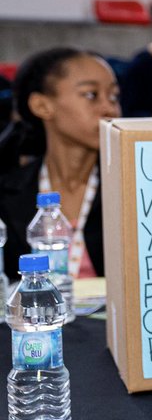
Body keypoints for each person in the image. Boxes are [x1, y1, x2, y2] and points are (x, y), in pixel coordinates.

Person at [0, 47, 119, 284]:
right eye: (91, 94)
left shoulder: (133, 190)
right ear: (42, 105)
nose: (110, 109)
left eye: (114, 96)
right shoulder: (6, 193)